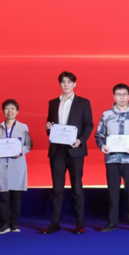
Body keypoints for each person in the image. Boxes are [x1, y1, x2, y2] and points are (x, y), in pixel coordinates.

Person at [42, 71, 94, 235]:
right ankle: (55, 223)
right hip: (57, 150)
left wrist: (81, 140)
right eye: (63, 82)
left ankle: (79, 224)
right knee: (56, 189)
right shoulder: (52, 103)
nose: (66, 85)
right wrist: (48, 128)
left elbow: (89, 125)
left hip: (75, 150)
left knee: (77, 188)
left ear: (74, 84)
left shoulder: (83, 102)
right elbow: (50, 125)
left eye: (69, 82)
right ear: (60, 84)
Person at [96, 83, 129, 232]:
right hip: (112, 159)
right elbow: (99, 135)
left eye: (124, 94)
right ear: (114, 97)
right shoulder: (106, 114)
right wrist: (102, 145)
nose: (121, 97)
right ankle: (112, 222)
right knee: (112, 191)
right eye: (118, 95)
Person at [0, 99, 32, 234]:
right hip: (1, 164)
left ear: (17, 111)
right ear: (3, 111)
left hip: (17, 164)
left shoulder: (23, 127)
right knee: (3, 196)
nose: (10, 111)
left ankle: (14, 224)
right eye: (7, 108)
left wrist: (21, 151)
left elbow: (29, 145)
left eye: (13, 108)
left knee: (16, 196)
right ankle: (4, 224)